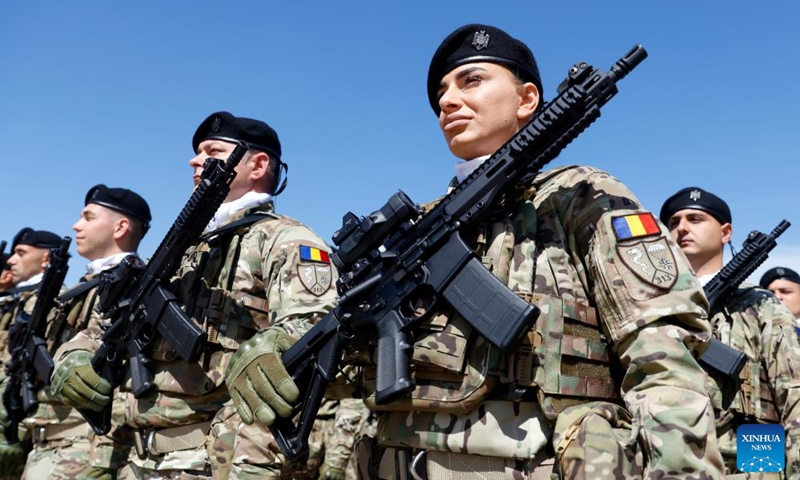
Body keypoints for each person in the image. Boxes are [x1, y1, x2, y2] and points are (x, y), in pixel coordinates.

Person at [224, 24, 725, 479]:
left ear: (528, 99)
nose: (447, 100)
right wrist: (284, 343)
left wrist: (691, 471)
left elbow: (664, 359)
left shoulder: (580, 198)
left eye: (471, 81)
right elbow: (345, 355)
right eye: (441, 92)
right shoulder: (416, 225)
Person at [51, 112, 339, 480]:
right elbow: (105, 325)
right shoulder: (184, 251)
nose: (195, 159)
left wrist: (279, 340)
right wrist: (72, 355)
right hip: (138, 460)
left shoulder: (283, 240)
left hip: (216, 460)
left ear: (259, 164)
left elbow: (320, 320)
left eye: (211, 150)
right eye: (197, 152)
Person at [661, 186, 800, 477]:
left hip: (749, 454)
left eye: (695, 219)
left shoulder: (758, 304)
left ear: (726, 233)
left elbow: (794, 393)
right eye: (673, 223)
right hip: (668, 461)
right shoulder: (653, 308)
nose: (682, 228)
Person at [19, 185, 151, 480]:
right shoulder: (82, 288)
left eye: (88, 217)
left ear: (120, 226)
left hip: (87, 447)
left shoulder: (136, 287)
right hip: (51, 444)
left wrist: (105, 457)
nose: (77, 225)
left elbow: (123, 382)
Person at [0, 229, 63, 480]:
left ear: (46, 258)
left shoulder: (52, 302)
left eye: (21, 253)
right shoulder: (16, 303)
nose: (11, 261)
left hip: (33, 425)